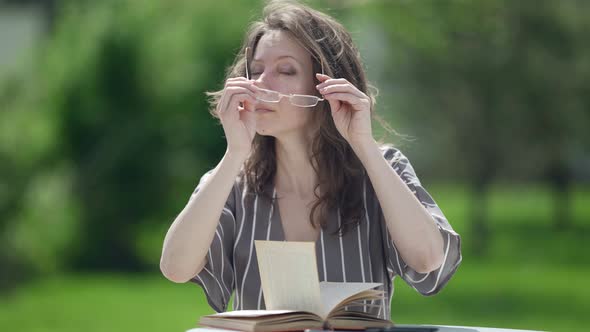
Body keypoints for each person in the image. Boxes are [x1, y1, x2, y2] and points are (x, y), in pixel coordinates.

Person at [160, 0, 461, 320]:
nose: (261, 84)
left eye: (286, 70)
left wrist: (364, 144)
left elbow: (428, 259)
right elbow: (176, 267)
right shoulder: (232, 181)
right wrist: (235, 152)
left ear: (326, 85)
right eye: (257, 71)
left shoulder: (382, 168)